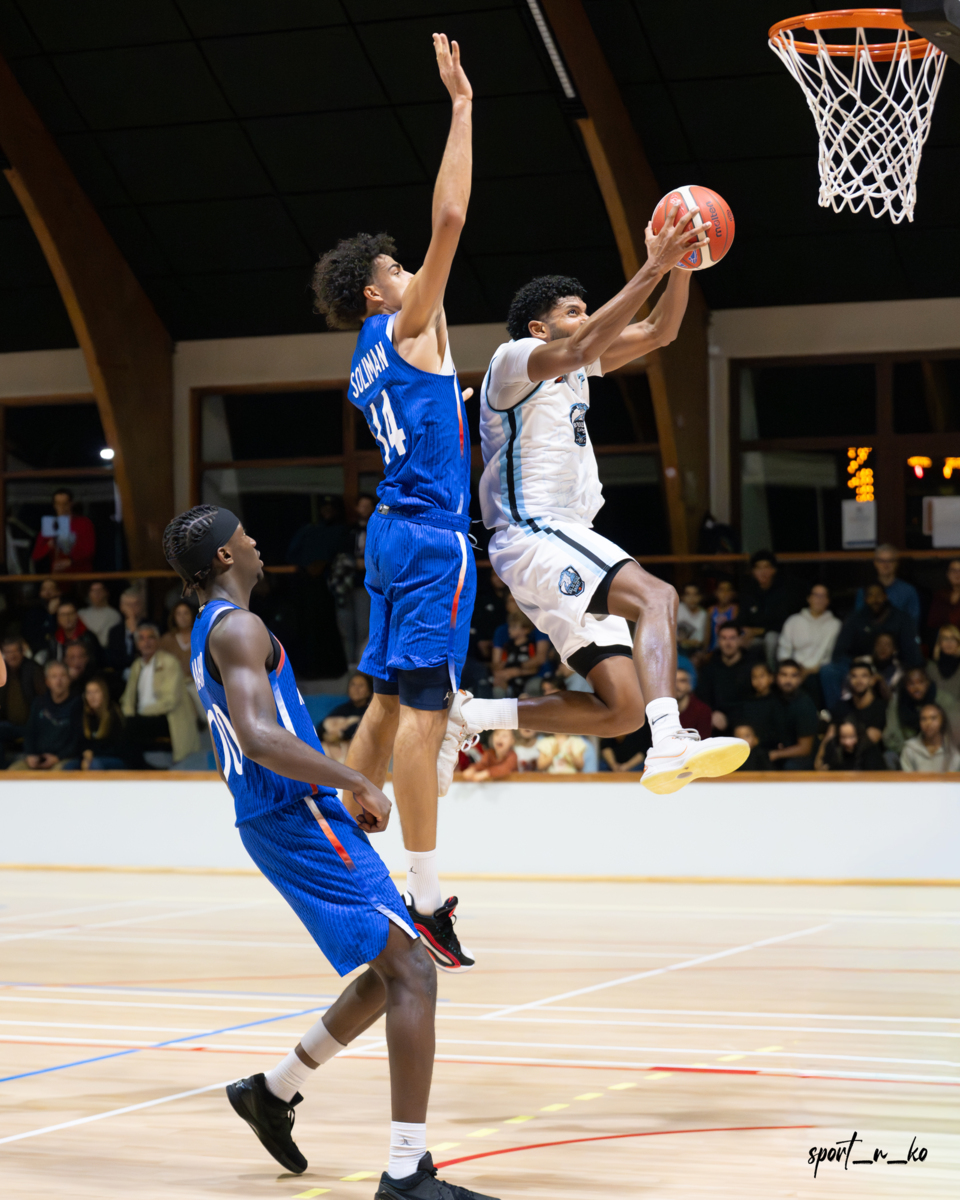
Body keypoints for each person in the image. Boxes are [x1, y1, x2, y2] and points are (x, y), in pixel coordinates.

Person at [162, 503, 495, 1200]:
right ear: (224, 556)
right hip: (297, 814)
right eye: (244, 536)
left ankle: (272, 1091)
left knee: (392, 964)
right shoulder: (240, 627)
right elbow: (258, 736)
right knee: (415, 971)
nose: (256, 542)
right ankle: (406, 1174)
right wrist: (353, 780)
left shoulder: (211, 629)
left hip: (281, 816)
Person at [442, 209, 746, 797]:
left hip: (553, 542)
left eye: (586, 310)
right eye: (573, 311)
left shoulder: (580, 364)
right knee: (658, 596)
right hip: (535, 532)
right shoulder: (514, 359)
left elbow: (659, 332)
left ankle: (472, 715)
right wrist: (652, 265)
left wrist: (684, 264)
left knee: (621, 709)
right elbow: (582, 346)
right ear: (539, 328)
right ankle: (669, 741)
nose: (586, 320)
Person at [310, 36, 479, 971]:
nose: (414, 270)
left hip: (384, 533)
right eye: (399, 267)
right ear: (379, 291)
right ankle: (424, 895)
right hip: (429, 539)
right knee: (425, 715)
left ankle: (345, 855)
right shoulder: (410, 324)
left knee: (379, 700)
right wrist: (461, 106)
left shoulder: (363, 357)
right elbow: (450, 216)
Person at [822, 582, 923, 709]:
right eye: (871, 595)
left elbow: (912, 653)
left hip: (892, 664)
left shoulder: (901, 618)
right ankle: (837, 712)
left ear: (885, 597)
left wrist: (906, 665)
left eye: (878, 595)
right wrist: (857, 662)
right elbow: (839, 652)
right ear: (865, 599)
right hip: (860, 663)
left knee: (914, 673)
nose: (875, 599)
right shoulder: (855, 618)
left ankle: (904, 712)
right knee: (829, 671)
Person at [120, 624, 201, 766]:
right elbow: (128, 698)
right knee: (122, 725)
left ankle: (141, 769)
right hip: (141, 717)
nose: (146, 642)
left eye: (151, 637)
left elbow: (170, 701)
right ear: (137, 644)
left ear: (157, 641)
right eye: (142, 638)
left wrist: (141, 714)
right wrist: (128, 714)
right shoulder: (137, 665)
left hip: (166, 717)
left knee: (132, 727)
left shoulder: (169, 662)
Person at [9, 660, 81, 770]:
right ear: (47, 682)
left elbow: (77, 739)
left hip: (64, 758)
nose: (59, 681)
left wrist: (58, 757)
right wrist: (30, 755)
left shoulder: (77, 704)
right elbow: (30, 732)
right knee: (13, 772)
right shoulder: (39, 703)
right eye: (54, 676)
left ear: (69, 679)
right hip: (38, 758)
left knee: (56, 775)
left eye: (63, 676)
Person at [776, 583, 841, 702]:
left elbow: (830, 654)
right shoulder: (794, 620)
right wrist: (792, 668)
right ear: (809, 598)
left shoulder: (835, 625)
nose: (819, 599)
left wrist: (809, 670)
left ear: (828, 601)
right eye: (816, 595)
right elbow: (784, 648)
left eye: (823, 596)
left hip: (817, 670)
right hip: (793, 668)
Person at [883, 665, 960, 758]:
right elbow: (890, 735)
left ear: (928, 682)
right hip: (909, 752)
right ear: (905, 685)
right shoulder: (898, 703)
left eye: (921, 682)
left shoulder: (944, 700)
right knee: (889, 756)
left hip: (943, 751)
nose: (916, 688)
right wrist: (911, 751)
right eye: (911, 684)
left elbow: (956, 729)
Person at [740, 550, 799, 668]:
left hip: (778, 637)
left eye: (766, 567)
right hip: (756, 638)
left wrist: (758, 631)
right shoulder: (749, 592)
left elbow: (782, 623)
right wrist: (743, 632)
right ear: (753, 572)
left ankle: (772, 674)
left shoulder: (782, 592)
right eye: (758, 568)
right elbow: (742, 619)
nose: (763, 572)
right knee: (735, 641)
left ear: (773, 570)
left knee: (770, 638)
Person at [336, 493, 375, 668]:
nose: (364, 510)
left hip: (366, 584)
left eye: (367, 506)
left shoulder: (379, 529)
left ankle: (361, 668)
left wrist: (367, 563)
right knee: (346, 627)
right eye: (361, 506)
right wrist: (353, 562)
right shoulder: (349, 530)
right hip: (345, 585)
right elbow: (339, 553)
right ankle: (350, 667)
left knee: (363, 628)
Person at [696, 622, 758, 731]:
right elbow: (702, 697)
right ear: (718, 641)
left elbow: (757, 698)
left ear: (740, 640)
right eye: (723, 638)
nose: (728, 643)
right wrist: (711, 713)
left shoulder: (753, 666)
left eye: (732, 638)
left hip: (746, 722)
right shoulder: (709, 667)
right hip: (717, 723)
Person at [767, 660, 819, 770]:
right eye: (784, 675)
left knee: (790, 766)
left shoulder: (804, 704)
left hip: (802, 757)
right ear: (776, 677)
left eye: (793, 676)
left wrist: (775, 754)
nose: (788, 680)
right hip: (780, 748)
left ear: (799, 679)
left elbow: (805, 749)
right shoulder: (773, 698)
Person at [30, 487, 96, 573]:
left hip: (80, 573)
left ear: (71, 504)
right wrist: (48, 546)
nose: (62, 507)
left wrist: (71, 560)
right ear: (54, 505)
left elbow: (89, 550)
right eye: (58, 504)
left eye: (65, 504)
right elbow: (36, 555)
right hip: (57, 574)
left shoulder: (83, 523)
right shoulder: (50, 526)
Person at [855, 544, 920, 628]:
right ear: (875, 563)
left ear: (896, 563)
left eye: (890, 561)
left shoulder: (908, 591)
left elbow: (913, 622)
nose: (885, 565)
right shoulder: (864, 591)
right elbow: (858, 620)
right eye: (881, 561)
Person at [0, 636, 44, 753]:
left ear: (22, 652)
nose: (12, 656)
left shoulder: (34, 669)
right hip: (8, 724)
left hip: (31, 725)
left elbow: (42, 700)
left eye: (15, 651)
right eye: (8, 652)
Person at [75, 677, 128, 770]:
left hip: (116, 759)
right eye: (89, 693)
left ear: (104, 694)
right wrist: (85, 753)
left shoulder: (114, 715)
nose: (92, 697)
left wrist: (92, 754)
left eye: (96, 692)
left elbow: (117, 747)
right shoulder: (86, 716)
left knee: (95, 764)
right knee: (69, 766)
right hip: (92, 758)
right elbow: (80, 743)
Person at [829, 660, 886, 745]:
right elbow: (829, 737)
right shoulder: (841, 706)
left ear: (872, 680)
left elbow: (872, 738)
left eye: (864, 676)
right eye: (854, 676)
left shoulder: (880, 707)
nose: (859, 681)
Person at [900, 703, 960, 772]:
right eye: (924, 719)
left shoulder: (952, 751)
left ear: (942, 720)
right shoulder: (910, 749)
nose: (928, 723)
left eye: (933, 718)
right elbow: (906, 776)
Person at [321, 671, 374, 743]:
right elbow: (323, 725)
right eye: (353, 685)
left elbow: (366, 727)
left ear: (369, 692)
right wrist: (325, 735)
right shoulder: (343, 709)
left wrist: (342, 735)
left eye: (361, 685)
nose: (356, 689)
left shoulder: (372, 711)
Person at [45, 599, 100, 666]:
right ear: (58, 618)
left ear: (76, 615)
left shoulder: (89, 638)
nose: (67, 618)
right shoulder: (54, 639)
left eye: (70, 614)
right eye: (63, 615)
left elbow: (96, 662)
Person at [106, 587, 146, 679]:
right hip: (120, 677)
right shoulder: (114, 631)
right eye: (128, 605)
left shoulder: (151, 627)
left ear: (141, 605)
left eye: (135, 604)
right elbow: (114, 661)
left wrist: (134, 633)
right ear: (121, 607)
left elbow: (145, 655)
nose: (132, 608)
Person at [815, 720, 886, 772]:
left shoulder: (870, 750)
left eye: (852, 737)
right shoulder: (833, 747)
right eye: (843, 737)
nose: (847, 742)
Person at [22, 578, 62, 654]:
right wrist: (50, 615)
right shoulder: (33, 612)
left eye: (51, 589)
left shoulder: (65, 608)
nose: (48, 592)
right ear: (40, 593)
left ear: (58, 592)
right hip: (40, 649)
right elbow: (33, 636)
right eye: (44, 589)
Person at [79, 581, 121, 649]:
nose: (97, 593)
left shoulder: (114, 615)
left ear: (106, 593)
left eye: (100, 590)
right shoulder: (81, 614)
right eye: (93, 591)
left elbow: (105, 641)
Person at [160, 600, 195, 678]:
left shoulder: (200, 638)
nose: (183, 617)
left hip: (196, 682)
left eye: (186, 613)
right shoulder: (167, 640)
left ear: (192, 615)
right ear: (173, 617)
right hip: (172, 682)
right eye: (178, 614)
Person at [676, 665, 712, 740]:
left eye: (682, 681)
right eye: (674, 681)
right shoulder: (663, 710)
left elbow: (704, 741)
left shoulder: (702, 710)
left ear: (689, 685)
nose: (677, 685)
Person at [927, 624, 960, 706]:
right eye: (945, 638)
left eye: (953, 639)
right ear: (939, 642)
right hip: (933, 711)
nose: (949, 643)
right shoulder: (929, 667)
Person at [926, 559, 960, 639]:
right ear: (947, 574)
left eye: (959, 571)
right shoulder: (939, 596)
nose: (957, 574)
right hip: (943, 641)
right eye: (953, 570)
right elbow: (933, 623)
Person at [677, 582, 708, 659]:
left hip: (694, 653)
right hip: (676, 650)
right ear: (682, 597)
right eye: (688, 594)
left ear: (700, 597)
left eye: (695, 594)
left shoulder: (704, 615)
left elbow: (702, 642)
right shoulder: (676, 609)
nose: (691, 598)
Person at [706, 578, 738, 652]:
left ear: (733, 593)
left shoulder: (735, 609)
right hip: (713, 650)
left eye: (728, 590)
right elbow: (707, 634)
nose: (725, 593)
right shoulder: (711, 610)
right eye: (721, 590)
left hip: (730, 649)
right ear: (716, 593)